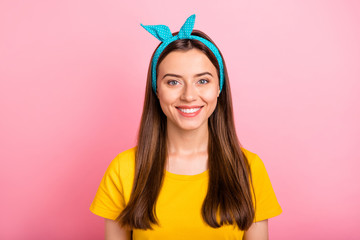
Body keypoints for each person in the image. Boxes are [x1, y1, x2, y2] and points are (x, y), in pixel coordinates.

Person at [89, 14, 282, 240]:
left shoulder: (248, 169)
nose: (189, 95)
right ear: (156, 90)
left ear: (219, 87)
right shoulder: (123, 170)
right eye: (173, 82)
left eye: (202, 80)